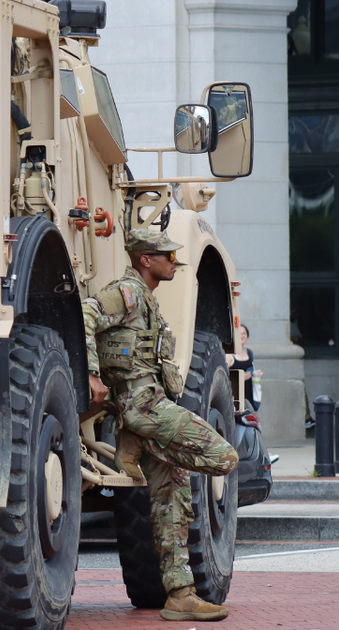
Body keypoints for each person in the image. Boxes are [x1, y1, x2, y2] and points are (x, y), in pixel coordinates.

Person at [81, 228, 240, 623]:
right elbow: (85, 314)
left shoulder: (148, 300)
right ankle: (132, 436)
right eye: (166, 256)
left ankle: (180, 594)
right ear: (144, 260)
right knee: (226, 457)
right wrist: (91, 374)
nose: (174, 261)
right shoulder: (127, 292)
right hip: (144, 405)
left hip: (148, 410)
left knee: (173, 501)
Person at [226, 324, 262, 411]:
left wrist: (256, 374)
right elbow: (222, 376)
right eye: (238, 333)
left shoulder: (249, 352)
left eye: (244, 333)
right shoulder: (228, 355)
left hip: (248, 395)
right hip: (234, 397)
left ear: (247, 337)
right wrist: (238, 378)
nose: (241, 336)